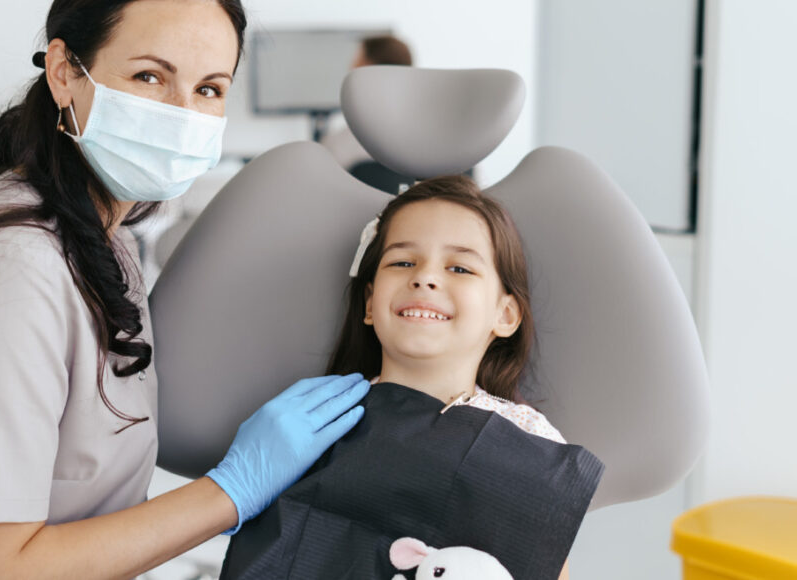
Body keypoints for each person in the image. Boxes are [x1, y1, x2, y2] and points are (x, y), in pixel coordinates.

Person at [0, 1, 369, 578]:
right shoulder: (13, 267)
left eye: (210, 89)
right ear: (65, 70)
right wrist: (231, 492)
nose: (183, 113)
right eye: (150, 76)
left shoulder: (96, 233)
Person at [220, 175, 603, 579]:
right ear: (370, 303)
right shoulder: (316, 419)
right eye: (403, 262)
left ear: (504, 314)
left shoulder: (527, 438)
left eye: (459, 267)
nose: (425, 278)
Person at [321, 34, 414, 192]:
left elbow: (322, 185)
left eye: (357, 60)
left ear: (366, 69)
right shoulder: (429, 140)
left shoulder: (340, 144)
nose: (350, 67)